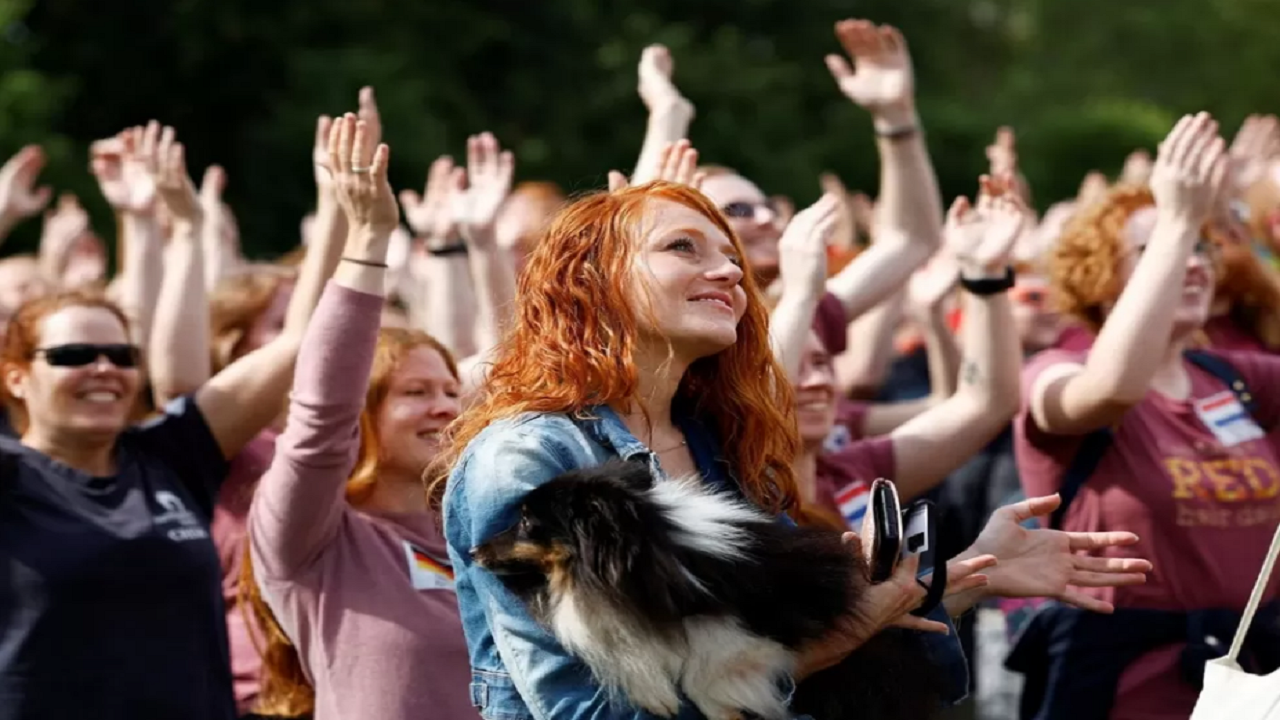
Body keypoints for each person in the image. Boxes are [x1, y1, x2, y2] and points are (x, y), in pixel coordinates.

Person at [437, 174, 1005, 720]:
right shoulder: (526, 457)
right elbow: (579, 710)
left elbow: (799, 625)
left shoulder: (717, 439)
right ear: (593, 279)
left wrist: (971, 573)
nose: (729, 271)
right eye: (683, 247)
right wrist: (826, 645)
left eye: (730, 256)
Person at [0, 133, 309, 719]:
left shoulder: (172, 456)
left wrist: (357, 224)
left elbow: (299, 341)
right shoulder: (11, 474)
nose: (104, 369)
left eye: (121, 356)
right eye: (72, 356)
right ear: (16, 377)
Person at [1013, 113, 1280, 719]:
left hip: (1256, 675)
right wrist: (1182, 218)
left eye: (1201, 247)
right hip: (1126, 686)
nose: (1191, 260)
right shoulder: (1054, 370)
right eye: (1157, 247)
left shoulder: (1236, 377)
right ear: (1102, 279)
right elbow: (1106, 391)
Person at [244, 114, 474, 720]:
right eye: (416, 392)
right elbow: (320, 423)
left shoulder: (485, 535)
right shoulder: (313, 540)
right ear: (364, 413)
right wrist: (368, 240)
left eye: (452, 390)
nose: (446, 406)